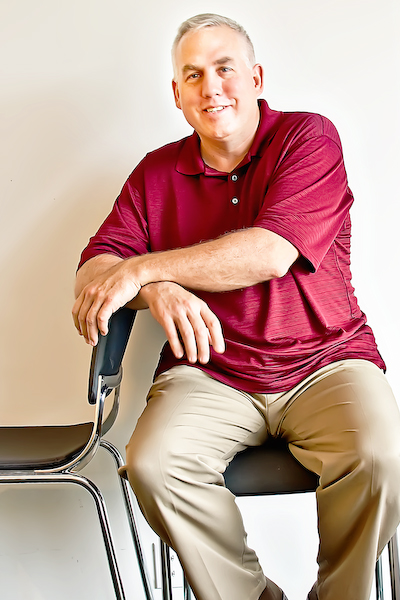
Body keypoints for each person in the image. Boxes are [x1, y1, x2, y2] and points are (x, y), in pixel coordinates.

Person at [72, 13, 400, 600]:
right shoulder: (154, 173)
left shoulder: (308, 138)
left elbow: (270, 253)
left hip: (327, 362)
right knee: (153, 466)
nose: (211, 87)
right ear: (177, 94)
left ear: (256, 77)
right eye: (193, 75)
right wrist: (152, 287)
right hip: (211, 372)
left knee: (380, 455)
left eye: (224, 68)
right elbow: (95, 272)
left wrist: (145, 268)